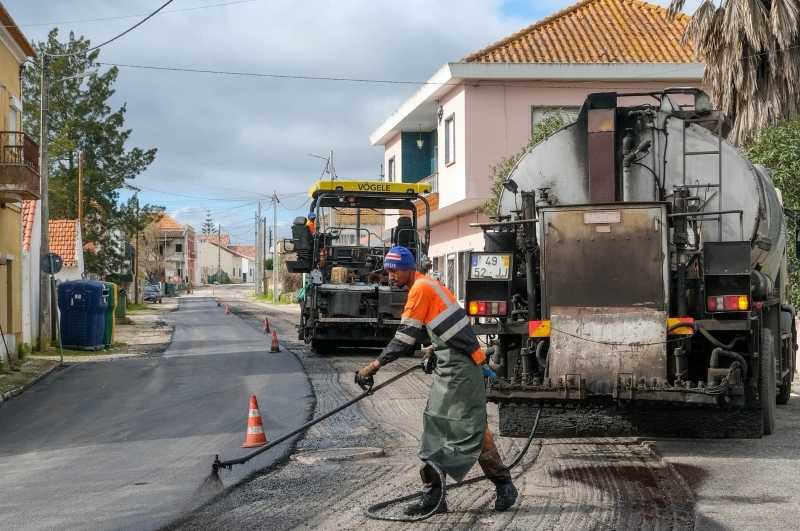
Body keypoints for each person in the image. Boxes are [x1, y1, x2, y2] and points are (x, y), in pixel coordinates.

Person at [355, 246, 517, 515]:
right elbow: (449, 326)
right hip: (458, 365)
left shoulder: (420, 289)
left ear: (409, 268)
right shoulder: (429, 284)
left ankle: (435, 497)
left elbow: (404, 338)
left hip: (459, 371)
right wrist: (434, 349)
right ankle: (501, 486)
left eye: (395, 270)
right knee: (471, 428)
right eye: (388, 270)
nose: (391, 275)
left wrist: (373, 367)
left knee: (442, 427)